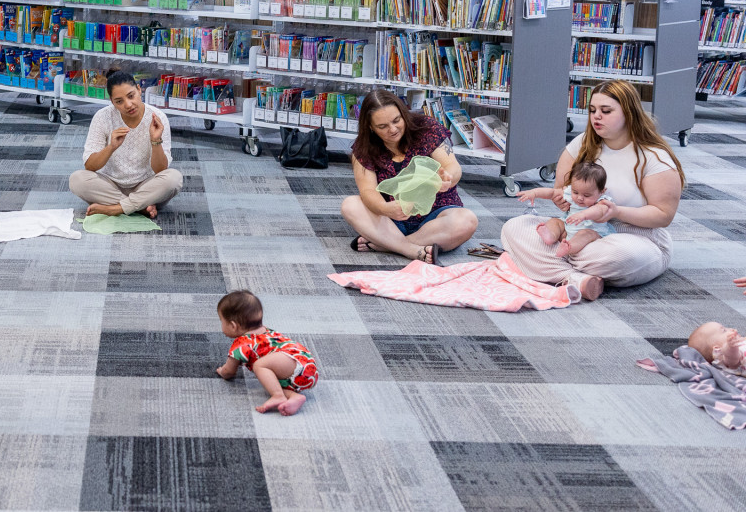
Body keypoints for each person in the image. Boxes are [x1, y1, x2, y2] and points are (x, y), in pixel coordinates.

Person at [505, 80, 685, 301]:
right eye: (592, 110)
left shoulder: (654, 157)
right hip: (576, 228)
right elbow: (561, 190)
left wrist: (616, 212)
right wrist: (561, 200)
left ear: (629, 113)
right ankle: (576, 278)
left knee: (619, 255)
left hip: (634, 236)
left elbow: (663, 215)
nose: (596, 116)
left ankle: (550, 266)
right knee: (514, 228)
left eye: (606, 111)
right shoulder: (582, 143)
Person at [340, 89, 478, 264]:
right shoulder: (363, 147)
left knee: (467, 221)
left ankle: (386, 244)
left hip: (437, 214)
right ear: (370, 127)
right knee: (350, 205)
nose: (393, 129)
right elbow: (368, 191)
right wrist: (384, 208)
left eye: (396, 120)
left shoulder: (427, 128)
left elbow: (452, 166)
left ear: (403, 113)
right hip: (392, 219)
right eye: (382, 126)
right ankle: (410, 249)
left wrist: (447, 178)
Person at [69, 71, 183, 218]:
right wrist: (111, 147)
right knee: (77, 180)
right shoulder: (102, 117)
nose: (128, 105)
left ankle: (115, 209)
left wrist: (155, 141)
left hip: (146, 186)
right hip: (111, 186)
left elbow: (161, 169)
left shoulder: (158, 118)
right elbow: (90, 166)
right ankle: (139, 207)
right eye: (119, 101)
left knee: (173, 179)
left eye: (131, 96)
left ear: (139, 89)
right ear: (112, 101)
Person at [214, 290, 317, 416]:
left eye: (221, 321)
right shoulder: (266, 331)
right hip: (306, 363)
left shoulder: (240, 344)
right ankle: (294, 396)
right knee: (270, 382)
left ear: (233, 326)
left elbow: (229, 372)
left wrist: (222, 371)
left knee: (259, 365)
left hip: (294, 365)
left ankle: (278, 395)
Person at [523, 161, 612, 258]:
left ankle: (569, 248)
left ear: (601, 191)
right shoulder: (570, 193)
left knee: (586, 234)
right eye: (575, 192)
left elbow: (600, 211)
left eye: (586, 195)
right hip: (568, 229)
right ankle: (550, 235)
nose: (579, 198)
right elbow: (552, 193)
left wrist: (583, 215)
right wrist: (534, 193)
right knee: (556, 221)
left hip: (592, 233)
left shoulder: (602, 201)